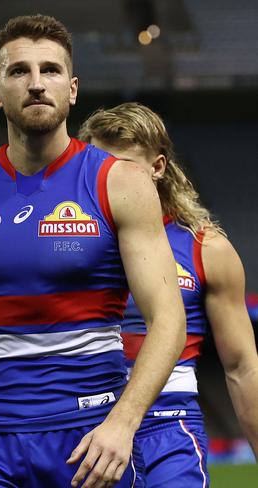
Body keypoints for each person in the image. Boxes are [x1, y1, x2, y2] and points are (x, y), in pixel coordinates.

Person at [0, 14, 187, 488]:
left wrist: (123, 422)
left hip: (90, 442)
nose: (36, 84)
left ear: (72, 89)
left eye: (50, 70)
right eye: (19, 72)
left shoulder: (121, 182)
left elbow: (168, 320)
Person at [79, 101, 258, 486]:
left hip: (168, 429)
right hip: (78, 429)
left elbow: (243, 367)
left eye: (125, 167)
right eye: (97, 168)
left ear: (157, 167)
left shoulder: (205, 249)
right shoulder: (55, 246)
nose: (110, 180)